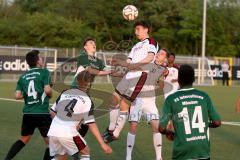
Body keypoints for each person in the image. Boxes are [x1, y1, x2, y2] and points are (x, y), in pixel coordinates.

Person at [102, 20, 159, 142]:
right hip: (129, 76)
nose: (136, 32)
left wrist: (135, 65)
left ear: (146, 29)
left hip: (140, 76)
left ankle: (115, 134)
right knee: (114, 98)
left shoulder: (151, 42)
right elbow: (128, 63)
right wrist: (118, 62)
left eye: (138, 29)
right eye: (135, 29)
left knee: (124, 104)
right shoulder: (135, 46)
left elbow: (150, 57)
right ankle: (111, 128)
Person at [159, 64, 221, 160]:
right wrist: (205, 124)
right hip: (203, 151)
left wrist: (169, 132)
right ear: (193, 79)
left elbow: (161, 128)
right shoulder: (204, 96)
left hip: (182, 151)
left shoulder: (171, 99)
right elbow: (217, 122)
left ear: (179, 80)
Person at [48, 71, 112, 160]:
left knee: (62, 157)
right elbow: (91, 123)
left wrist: (61, 123)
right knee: (85, 152)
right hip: (68, 133)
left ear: (77, 81)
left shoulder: (65, 92)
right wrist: (102, 144)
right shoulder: (87, 100)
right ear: (89, 84)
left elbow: (52, 112)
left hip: (53, 131)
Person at [5, 50, 53, 160]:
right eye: (40, 58)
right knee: (51, 144)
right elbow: (47, 90)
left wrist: (27, 95)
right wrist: (49, 94)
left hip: (28, 113)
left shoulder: (23, 77)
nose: (41, 59)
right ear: (37, 61)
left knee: (24, 138)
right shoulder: (44, 72)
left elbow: (17, 95)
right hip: (41, 113)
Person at [126, 49, 168, 160]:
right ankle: (128, 156)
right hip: (137, 100)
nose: (159, 54)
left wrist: (162, 76)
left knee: (156, 127)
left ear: (165, 58)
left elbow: (162, 85)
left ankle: (159, 157)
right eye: (159, 52)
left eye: (163, 54)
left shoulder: (163, 70)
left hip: (150, 102)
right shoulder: (147, 64)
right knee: (133, 127)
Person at [72, 38, 112, 138]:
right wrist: (108, 72)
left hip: (86, 91)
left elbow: (107, 70)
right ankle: (75, 137)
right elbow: (89, 70)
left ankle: (77, 140)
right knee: (86, 114)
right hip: (77, 88)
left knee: (87, 117)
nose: (93, 44)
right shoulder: (83, 56)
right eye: (90, 43)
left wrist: (121, 73)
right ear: (85, 47)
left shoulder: (98, 61)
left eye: (94, 43)